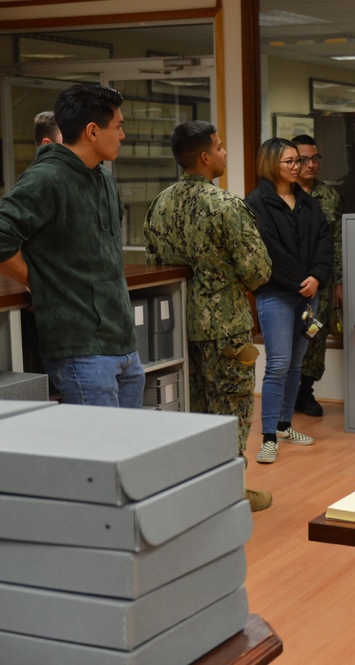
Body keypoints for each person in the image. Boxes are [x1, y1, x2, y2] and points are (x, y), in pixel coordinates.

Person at [0, 83, 143, 408]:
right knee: (96, 454)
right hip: (81, 348)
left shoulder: (103, 176)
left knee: (129, 449)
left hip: (121, 340)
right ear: (93, 131)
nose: (122, 135)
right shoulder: (47, 177)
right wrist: (34, 280)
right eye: (118, 126)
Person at [145, 120, 274, 511]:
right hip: (224, 327)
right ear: (204, 157)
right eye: (219, 147)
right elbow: (258, 270)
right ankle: (231, 489)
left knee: (190, 407)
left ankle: (197, 485)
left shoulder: (160, 203)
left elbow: (154, 262)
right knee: (231, 408)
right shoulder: (227, 206)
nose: (223, 153)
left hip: (175, 325)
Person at [245, 138, 332, 464]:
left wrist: (317, 278)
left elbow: (324, 243)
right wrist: (300, 282)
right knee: (278, 365)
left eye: (299, 160)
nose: (298, 167)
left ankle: (284, 425)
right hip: (278, 295)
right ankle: (268, 437)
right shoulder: (256, 203)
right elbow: (266, 253)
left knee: (297, 364)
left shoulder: (309, 203)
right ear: (271, 164)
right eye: (290, 162)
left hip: (309, 295)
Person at [290, 134, 342, 417]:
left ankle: (305, 390)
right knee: (289, 335)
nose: (311, 165)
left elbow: (338, 241)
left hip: (321, 281)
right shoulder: (281, 194)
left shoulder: (329, 196)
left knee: (314, 332)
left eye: (315, 158)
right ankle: (289, 391)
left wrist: (340, 282)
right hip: (288, 283)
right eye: (303, 159)